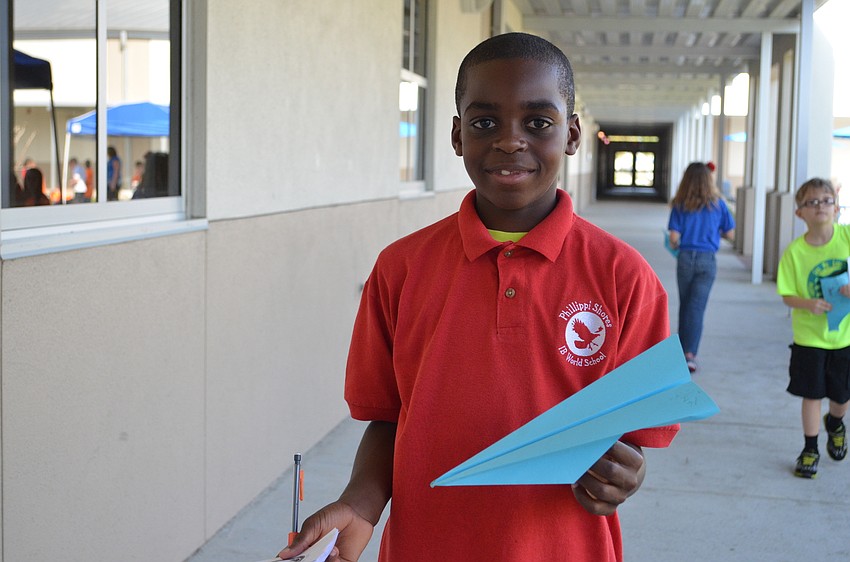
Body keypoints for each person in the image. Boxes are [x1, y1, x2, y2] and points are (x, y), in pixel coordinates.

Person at [278, 32, 679, 562]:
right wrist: (361, 504)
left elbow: (632, 438)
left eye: (538, 123)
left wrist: (625, 474)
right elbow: (389, 418)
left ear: (573, 134)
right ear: (457, 135)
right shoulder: (400, 269)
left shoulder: (626, 278)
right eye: (485, 122)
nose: (510, 141)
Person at [776, 177, 849, 479]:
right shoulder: (795, 252)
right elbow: (787, 294)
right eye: (812, 202)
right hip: (808, 338)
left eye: (826, 200)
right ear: (800, 213)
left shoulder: (846, 239)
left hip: (844, 336)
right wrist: (808, 304)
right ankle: (810, 448)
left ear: (837, 207)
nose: (820, 206)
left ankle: (835, 423)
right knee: (811, 394)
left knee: (841, 396)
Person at [666, 162, 735, 373]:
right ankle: (689, 354)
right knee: (696, 308)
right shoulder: (719, 205)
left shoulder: (680, 204)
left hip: (685, 259)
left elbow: (674, 238)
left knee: (686, 305)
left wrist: (679, 243)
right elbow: (731, 235)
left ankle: (683, 350)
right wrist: (715, 233)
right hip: (707, 260)